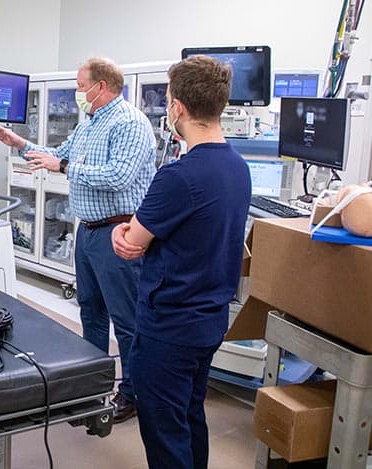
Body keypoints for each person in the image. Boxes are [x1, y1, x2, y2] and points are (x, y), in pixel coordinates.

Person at [0, 58, 155, 423]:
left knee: (126, 320)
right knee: (91, 311)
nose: (78, 93)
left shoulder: (131, 123)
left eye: (81, 87)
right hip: (89, 231)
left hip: (120, 232)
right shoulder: (90, 123)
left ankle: (133, 393)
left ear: (102, 86)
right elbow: (57, 155)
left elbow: (119, 176)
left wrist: (63, 168)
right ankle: (91, 384)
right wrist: (19, 143)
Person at [111, 56, 250, 468]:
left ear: (178, 109)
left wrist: (123, 233)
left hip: (169, 326)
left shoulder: (178, 176)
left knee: (164, 427)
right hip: (209, 320)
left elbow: (131, 242)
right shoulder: (237, 168)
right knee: (190, 415)